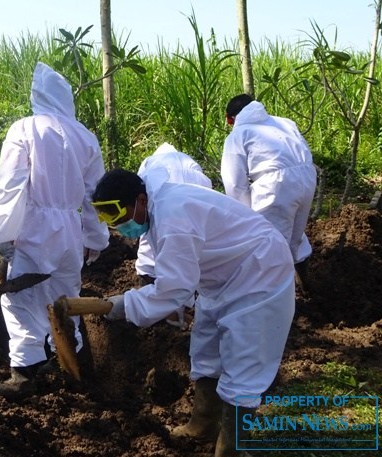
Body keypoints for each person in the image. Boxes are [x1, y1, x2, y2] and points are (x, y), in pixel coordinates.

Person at [92, 168, 295, 457]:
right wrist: (166, 303)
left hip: (260, 272)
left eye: (115, 213)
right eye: (105, 216)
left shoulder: (173, 215)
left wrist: (122, 305)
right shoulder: (159, 210)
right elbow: (176, 276)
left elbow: (173, 288)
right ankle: (203, 424)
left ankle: (232, 448)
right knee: (206, 347)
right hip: (223, 276)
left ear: (140, 199)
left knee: (246, 359)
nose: (116, 224)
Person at [0, 62, 110, 395]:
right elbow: (94, 193)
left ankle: (23, 375)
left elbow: (12, 186)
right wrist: (95, 237)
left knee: (20, 301)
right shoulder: (85, 136)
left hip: (34, 229)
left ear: (36, 95)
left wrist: (2, 233)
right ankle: (71, 368)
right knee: (65, 298)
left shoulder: (24, 129)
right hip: (70, 231)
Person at [222, 94, 317, 292]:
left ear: (231, 118)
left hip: (276, 186)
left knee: (269, 244)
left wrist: (245, 216)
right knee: (294, 236)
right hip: (307, 177)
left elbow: (234, 183)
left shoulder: (239, 134)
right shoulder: (285, 123)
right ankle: (306, 286)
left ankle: (279, 298)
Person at [135, 142, 212, 287]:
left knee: (152, 258)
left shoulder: (149, 164)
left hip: (161, 216)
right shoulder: (190, 164)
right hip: (191, 222)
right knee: (187, 263)